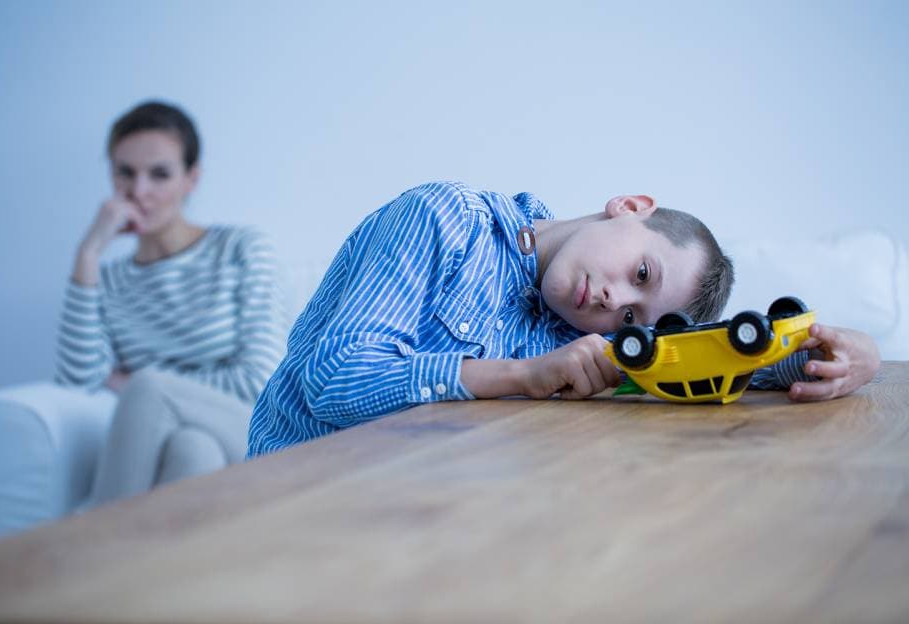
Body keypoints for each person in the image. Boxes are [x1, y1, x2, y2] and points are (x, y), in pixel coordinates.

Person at [246, 181, 880, 456]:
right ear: (629, 206)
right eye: (641, 274)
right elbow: (330, 379)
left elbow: (719, 362)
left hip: (421, 520)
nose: (612, 305)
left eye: (634, 315)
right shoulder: (443, 221)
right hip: (295, 499)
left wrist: (850, 352)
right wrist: (519, 375)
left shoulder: (579, 341)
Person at [56, 101, 286, 504]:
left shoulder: (240, 247)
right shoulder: (107, 281)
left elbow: (259, 379)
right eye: (125, 173)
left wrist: (136, 384)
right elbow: (79, 385)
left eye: (159, 174)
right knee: (193, 450)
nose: (138, 191)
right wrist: (88, 253)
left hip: (256, 428)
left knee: (149, 388)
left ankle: (89, 544)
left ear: (190, 179)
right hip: (192, 441)